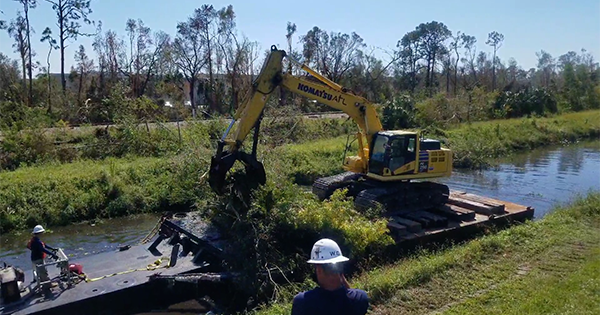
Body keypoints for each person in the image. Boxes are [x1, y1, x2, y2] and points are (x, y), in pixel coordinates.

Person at [291, 238, 369, 315]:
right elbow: (349, 293)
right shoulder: (360, 298)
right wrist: (339, 274)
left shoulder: (302, 302)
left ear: (319, 270)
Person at [27, 225, 58, 296]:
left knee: (40, 272)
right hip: (38, 259)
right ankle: (47, 285)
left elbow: (44, 245)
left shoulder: (35, 239)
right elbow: (42, 249)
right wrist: (52, 254)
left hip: (34, 258)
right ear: (39, 233)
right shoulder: (37, 241)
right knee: (43, 272)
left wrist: (52, 249)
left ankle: (43, 283)